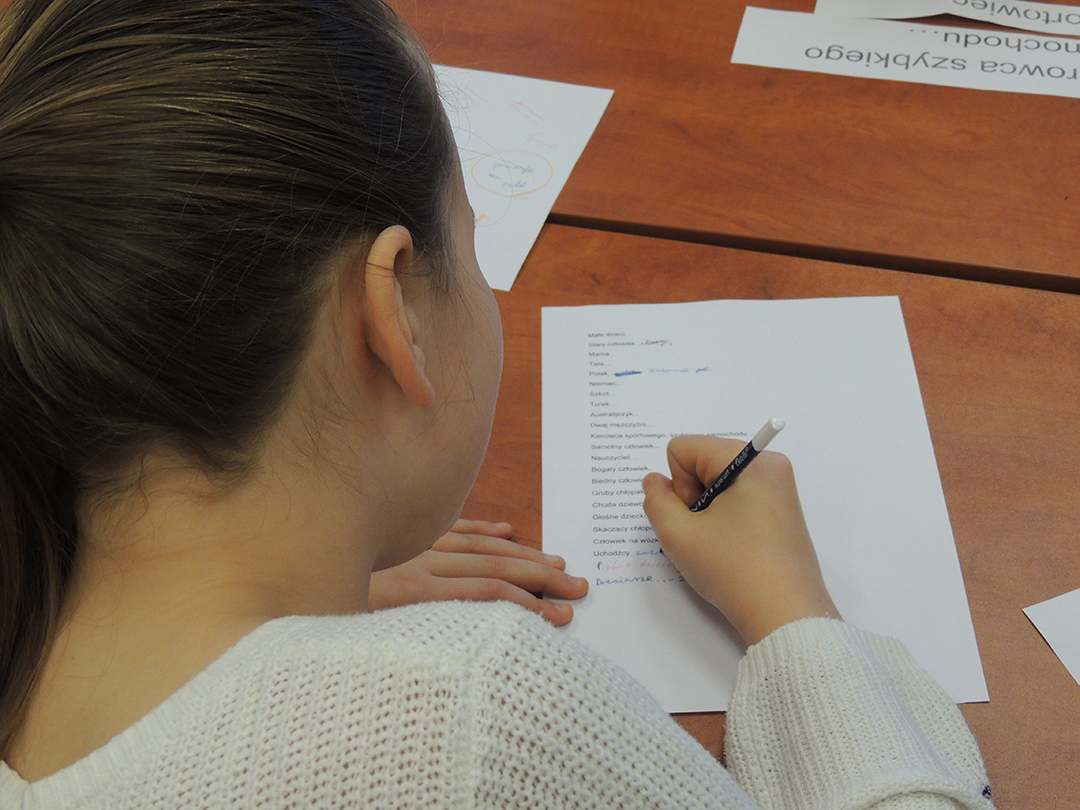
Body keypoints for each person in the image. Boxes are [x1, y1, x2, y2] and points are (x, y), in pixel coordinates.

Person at [0, 0, 995, 807]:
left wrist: (320, 580)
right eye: (472, 244)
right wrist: (793, 614)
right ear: (395, 311)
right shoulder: (465, 714)